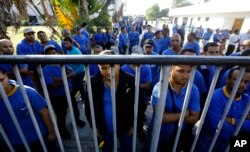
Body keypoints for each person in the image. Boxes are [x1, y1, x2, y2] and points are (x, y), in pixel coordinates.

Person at [85, 50, 138, 152]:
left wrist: (134, 124)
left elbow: (138, 104)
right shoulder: (93, 82)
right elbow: (88, 106)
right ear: (98, 67)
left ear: (118, 64)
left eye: (112, 66)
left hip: (125, 127)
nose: (109, 71)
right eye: (104, 68)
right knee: (107, 147)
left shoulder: (130, 80)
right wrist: (94, 125)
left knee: (126, 147)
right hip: (104, 128)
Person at [0, 68, 58, 151]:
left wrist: (51, 132)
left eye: (1, 80)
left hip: (40, 137)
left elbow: (44, 112)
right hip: (16, 142)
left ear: (6, 76)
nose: (0, 85)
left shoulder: (27, 92)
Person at [147, 64, 200, 152]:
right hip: (158, 134)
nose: (185, 75)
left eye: (188, 72)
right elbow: (161, 118)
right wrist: (186, 113)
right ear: (170, 70)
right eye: (181, 71)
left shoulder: (193, 89)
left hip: (178, 134)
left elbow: (194, 118)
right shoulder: (160, 87)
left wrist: (169, 117)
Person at [196, 67, 250, 152]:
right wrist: (241, 129)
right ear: (227, 80)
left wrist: (232, 121)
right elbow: (217, 126)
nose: (242, 84)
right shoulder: (215, 96)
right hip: (210, 141)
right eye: (238, 80)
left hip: (233, 142)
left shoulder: (247, 99)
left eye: (246, 82)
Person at [42, 45, 85, 139]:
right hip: (58, 96)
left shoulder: (61, 64)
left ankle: (77, 120)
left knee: (74, 108)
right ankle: (63, 131)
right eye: (49, 53)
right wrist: (66, 77)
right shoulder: (45, 69)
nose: (52, 55)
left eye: (54, 52)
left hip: (69, 92)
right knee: (61, 115)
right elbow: (52, 85)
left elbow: (73, 73)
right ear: (45, 56)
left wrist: (58, 79)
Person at [63, 38, 86, 104]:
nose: (65, 45)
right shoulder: (68, 50)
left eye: (67, 43)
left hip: (80, 72)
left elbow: (82, 64)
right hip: (73, 72)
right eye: (64, 44)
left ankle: (83, 99)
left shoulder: (76, 51)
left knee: (79, 85)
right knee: (77, 86)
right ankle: (80, 99)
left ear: (71, 43)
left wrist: (75, 72)